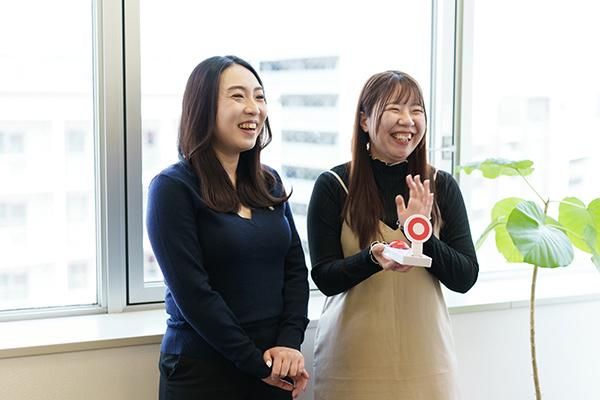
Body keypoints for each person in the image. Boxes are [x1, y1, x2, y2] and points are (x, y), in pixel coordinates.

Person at [307, 70, 479, 399]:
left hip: (426, 362)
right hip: (352, 363)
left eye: (416, 110)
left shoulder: (441, 186)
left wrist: (422, 236)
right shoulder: (334, 185)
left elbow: (465, 277)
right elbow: (325, 277)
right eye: (394, 109)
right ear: (364, 120)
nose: (407, 120)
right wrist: (373, 258)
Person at [146, 55, 310, 400]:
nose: (253, 108)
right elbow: (194, 294)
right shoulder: (172, 188)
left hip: (273, 364)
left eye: (259, 97)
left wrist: (289, 344)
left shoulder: (269, 182)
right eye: (238, 96)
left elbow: (295, 269)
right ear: (203, 107)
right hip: (203, 369)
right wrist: (254, 363)